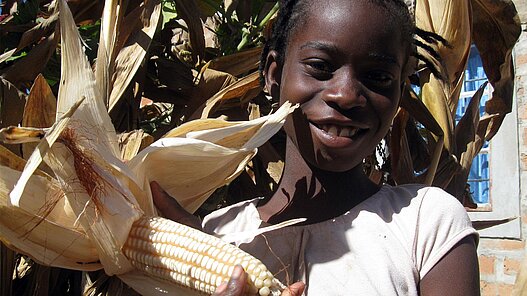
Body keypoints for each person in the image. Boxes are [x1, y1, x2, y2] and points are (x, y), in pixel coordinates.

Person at [153, 0, 480, 295]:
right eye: (321, 67)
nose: (347, 94)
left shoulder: (426, 223)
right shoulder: (219, 232)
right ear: (273, 75)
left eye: (378, 76)